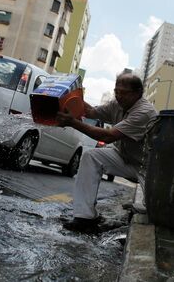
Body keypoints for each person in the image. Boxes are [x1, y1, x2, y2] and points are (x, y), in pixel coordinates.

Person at [56, 73, 157, 233]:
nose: (119, 96)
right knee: (91, 157)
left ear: (138, 93)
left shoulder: (144, 112)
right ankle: (85, 217)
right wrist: (65, 97)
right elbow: (89, 111)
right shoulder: (117, 104)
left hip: (146, 169)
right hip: (125, 157)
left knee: (152, 215)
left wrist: (72, 122)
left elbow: (107, 136)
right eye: (116, 91)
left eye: (124, 93)